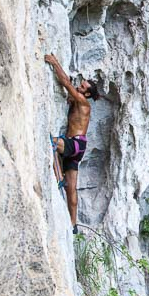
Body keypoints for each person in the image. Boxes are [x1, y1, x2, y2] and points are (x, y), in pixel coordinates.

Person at [44, 53, 99, 234]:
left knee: (50, 142)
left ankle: (59, 177)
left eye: (82, 87)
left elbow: (66, 83)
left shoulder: (83, 101)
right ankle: (73, 224)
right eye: (81, 85)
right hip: (78, 146)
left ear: (87, 93)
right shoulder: (79, 102)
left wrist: (54, 62)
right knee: (72, 188)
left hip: (73, 144)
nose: (79, 86)